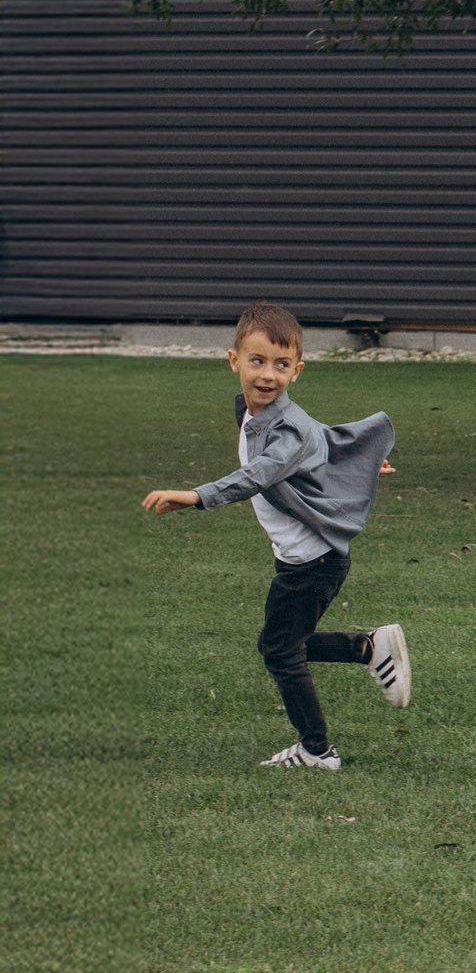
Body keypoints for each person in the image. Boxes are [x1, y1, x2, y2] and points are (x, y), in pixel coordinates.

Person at [142, 301, 413, 769]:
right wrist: (359, 466)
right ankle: (369, 648)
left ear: (298, 370)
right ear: (234, 361)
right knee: (279, 643)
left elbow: (262, 472)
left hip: (314, 562)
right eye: (258, 361)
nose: (268, 375)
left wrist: (196, 495)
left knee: (280, 651)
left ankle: (317, 750)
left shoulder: (284, 427)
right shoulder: (256, 414)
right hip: (303, 558)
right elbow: (323, 440)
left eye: (281, 365)